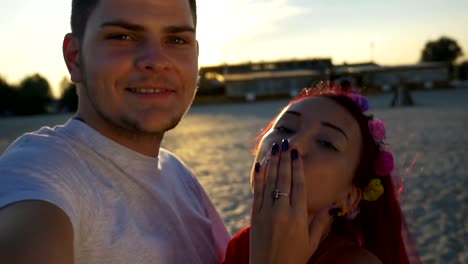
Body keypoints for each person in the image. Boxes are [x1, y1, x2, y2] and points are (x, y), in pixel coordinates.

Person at [0, 0, 231, 263]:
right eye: (122, 36)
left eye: (177, 40)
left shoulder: (180, 175)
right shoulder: (38, 169)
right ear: (75, 57)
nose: (156, 61)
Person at [222, 84, 420, 263]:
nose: (293, 144)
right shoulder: (242, 245)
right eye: (285, 128)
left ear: (349, 197)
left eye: (327, 143)